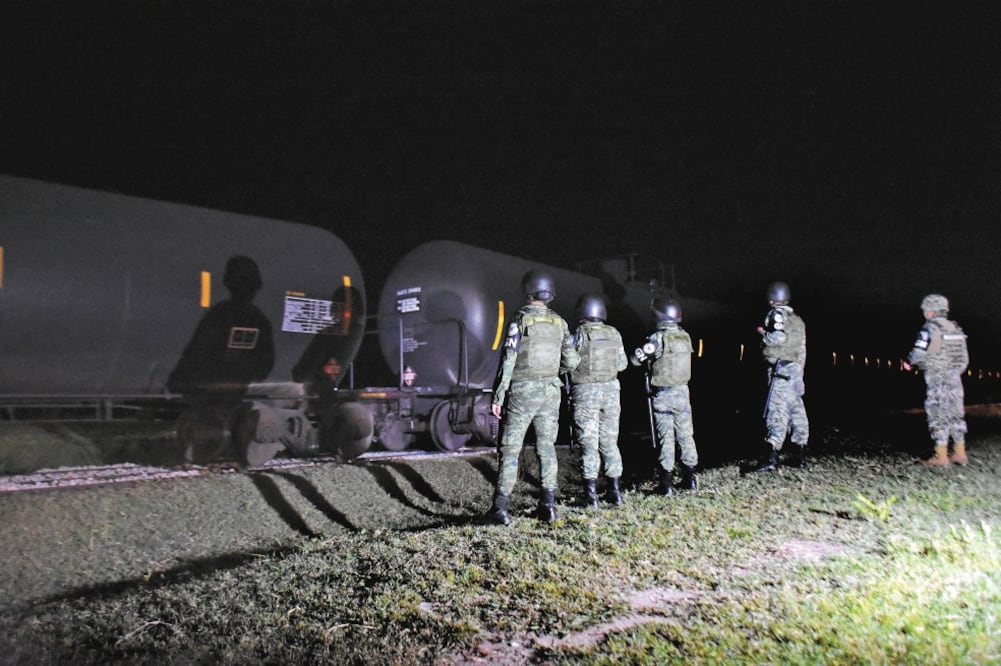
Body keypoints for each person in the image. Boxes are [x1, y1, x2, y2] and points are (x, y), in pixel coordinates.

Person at [481, 270, 580, 525]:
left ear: (528, 291)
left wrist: (499, 395)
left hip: (522, 393)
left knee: (510, 449)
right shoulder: (560, 323)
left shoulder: (520, 319)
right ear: (550, 293)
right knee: (546, 448)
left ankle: (500, 509)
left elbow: (509, 359)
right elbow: (571, 361)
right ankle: (547, 506)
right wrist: (553, 372)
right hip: (550, 392)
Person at [630, 297, 699, 494]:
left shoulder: (658, 338)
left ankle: (666, 483)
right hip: (683, 392)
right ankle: (690, 478)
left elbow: (637, 359)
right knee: (686, 436)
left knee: (665, 438)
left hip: (664, 395)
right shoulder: (685, 337)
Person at [569, 293, 629, 508]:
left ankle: (590, 496)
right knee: (610, 443)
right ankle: (615, 492)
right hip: (612, 393)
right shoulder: (614, 333)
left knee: (589, 444)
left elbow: (568, 361)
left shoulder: (578, 334)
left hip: (586, 394)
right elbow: (622, 364)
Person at [902, 293, 969, 466]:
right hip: (954, 378)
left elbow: (919, 351)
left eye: (925, 310)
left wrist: (909, 362)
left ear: (931, 311)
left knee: (937, 413)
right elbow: (964, 359)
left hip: (937, 377)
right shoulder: (956, 329)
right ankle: (960, 453)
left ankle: (941, 456)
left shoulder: (930, 328)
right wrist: (954, 372)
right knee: (955, 413)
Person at [749, 281, 809, 473]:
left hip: (779, 370)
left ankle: (770, 457)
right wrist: (800, 374)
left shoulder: (777, 314)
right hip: (795, 370)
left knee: (776, 411)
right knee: (796, 411)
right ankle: (800, 454)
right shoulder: (798, 320)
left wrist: (763, 334)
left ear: (772, 298)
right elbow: (802, 350)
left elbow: (778, 338)